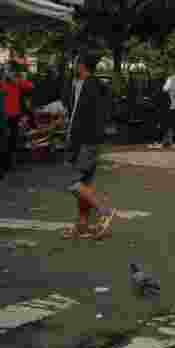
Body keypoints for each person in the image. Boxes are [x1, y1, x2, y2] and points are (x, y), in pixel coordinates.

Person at [62, 54, 115, 240]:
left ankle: (105, 211)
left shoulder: (89, 86)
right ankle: (82, 224)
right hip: (90, 140)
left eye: (76, 62)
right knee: (84, 184)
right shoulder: (92, 85)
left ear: (81, 64)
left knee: (73, 183)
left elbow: (83, 118)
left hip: (85, 141)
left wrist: (72, 141)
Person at [1, 65, 33, 174]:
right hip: (4, 115)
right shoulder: (2, 83)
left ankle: (11, 162)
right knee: (5, 139)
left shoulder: (17, 82)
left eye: (11, 71)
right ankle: (5, 163)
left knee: (13, 139)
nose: (9, 73)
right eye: (7, 71)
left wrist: (18, 80)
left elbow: (30, 86)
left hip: (15, 115)